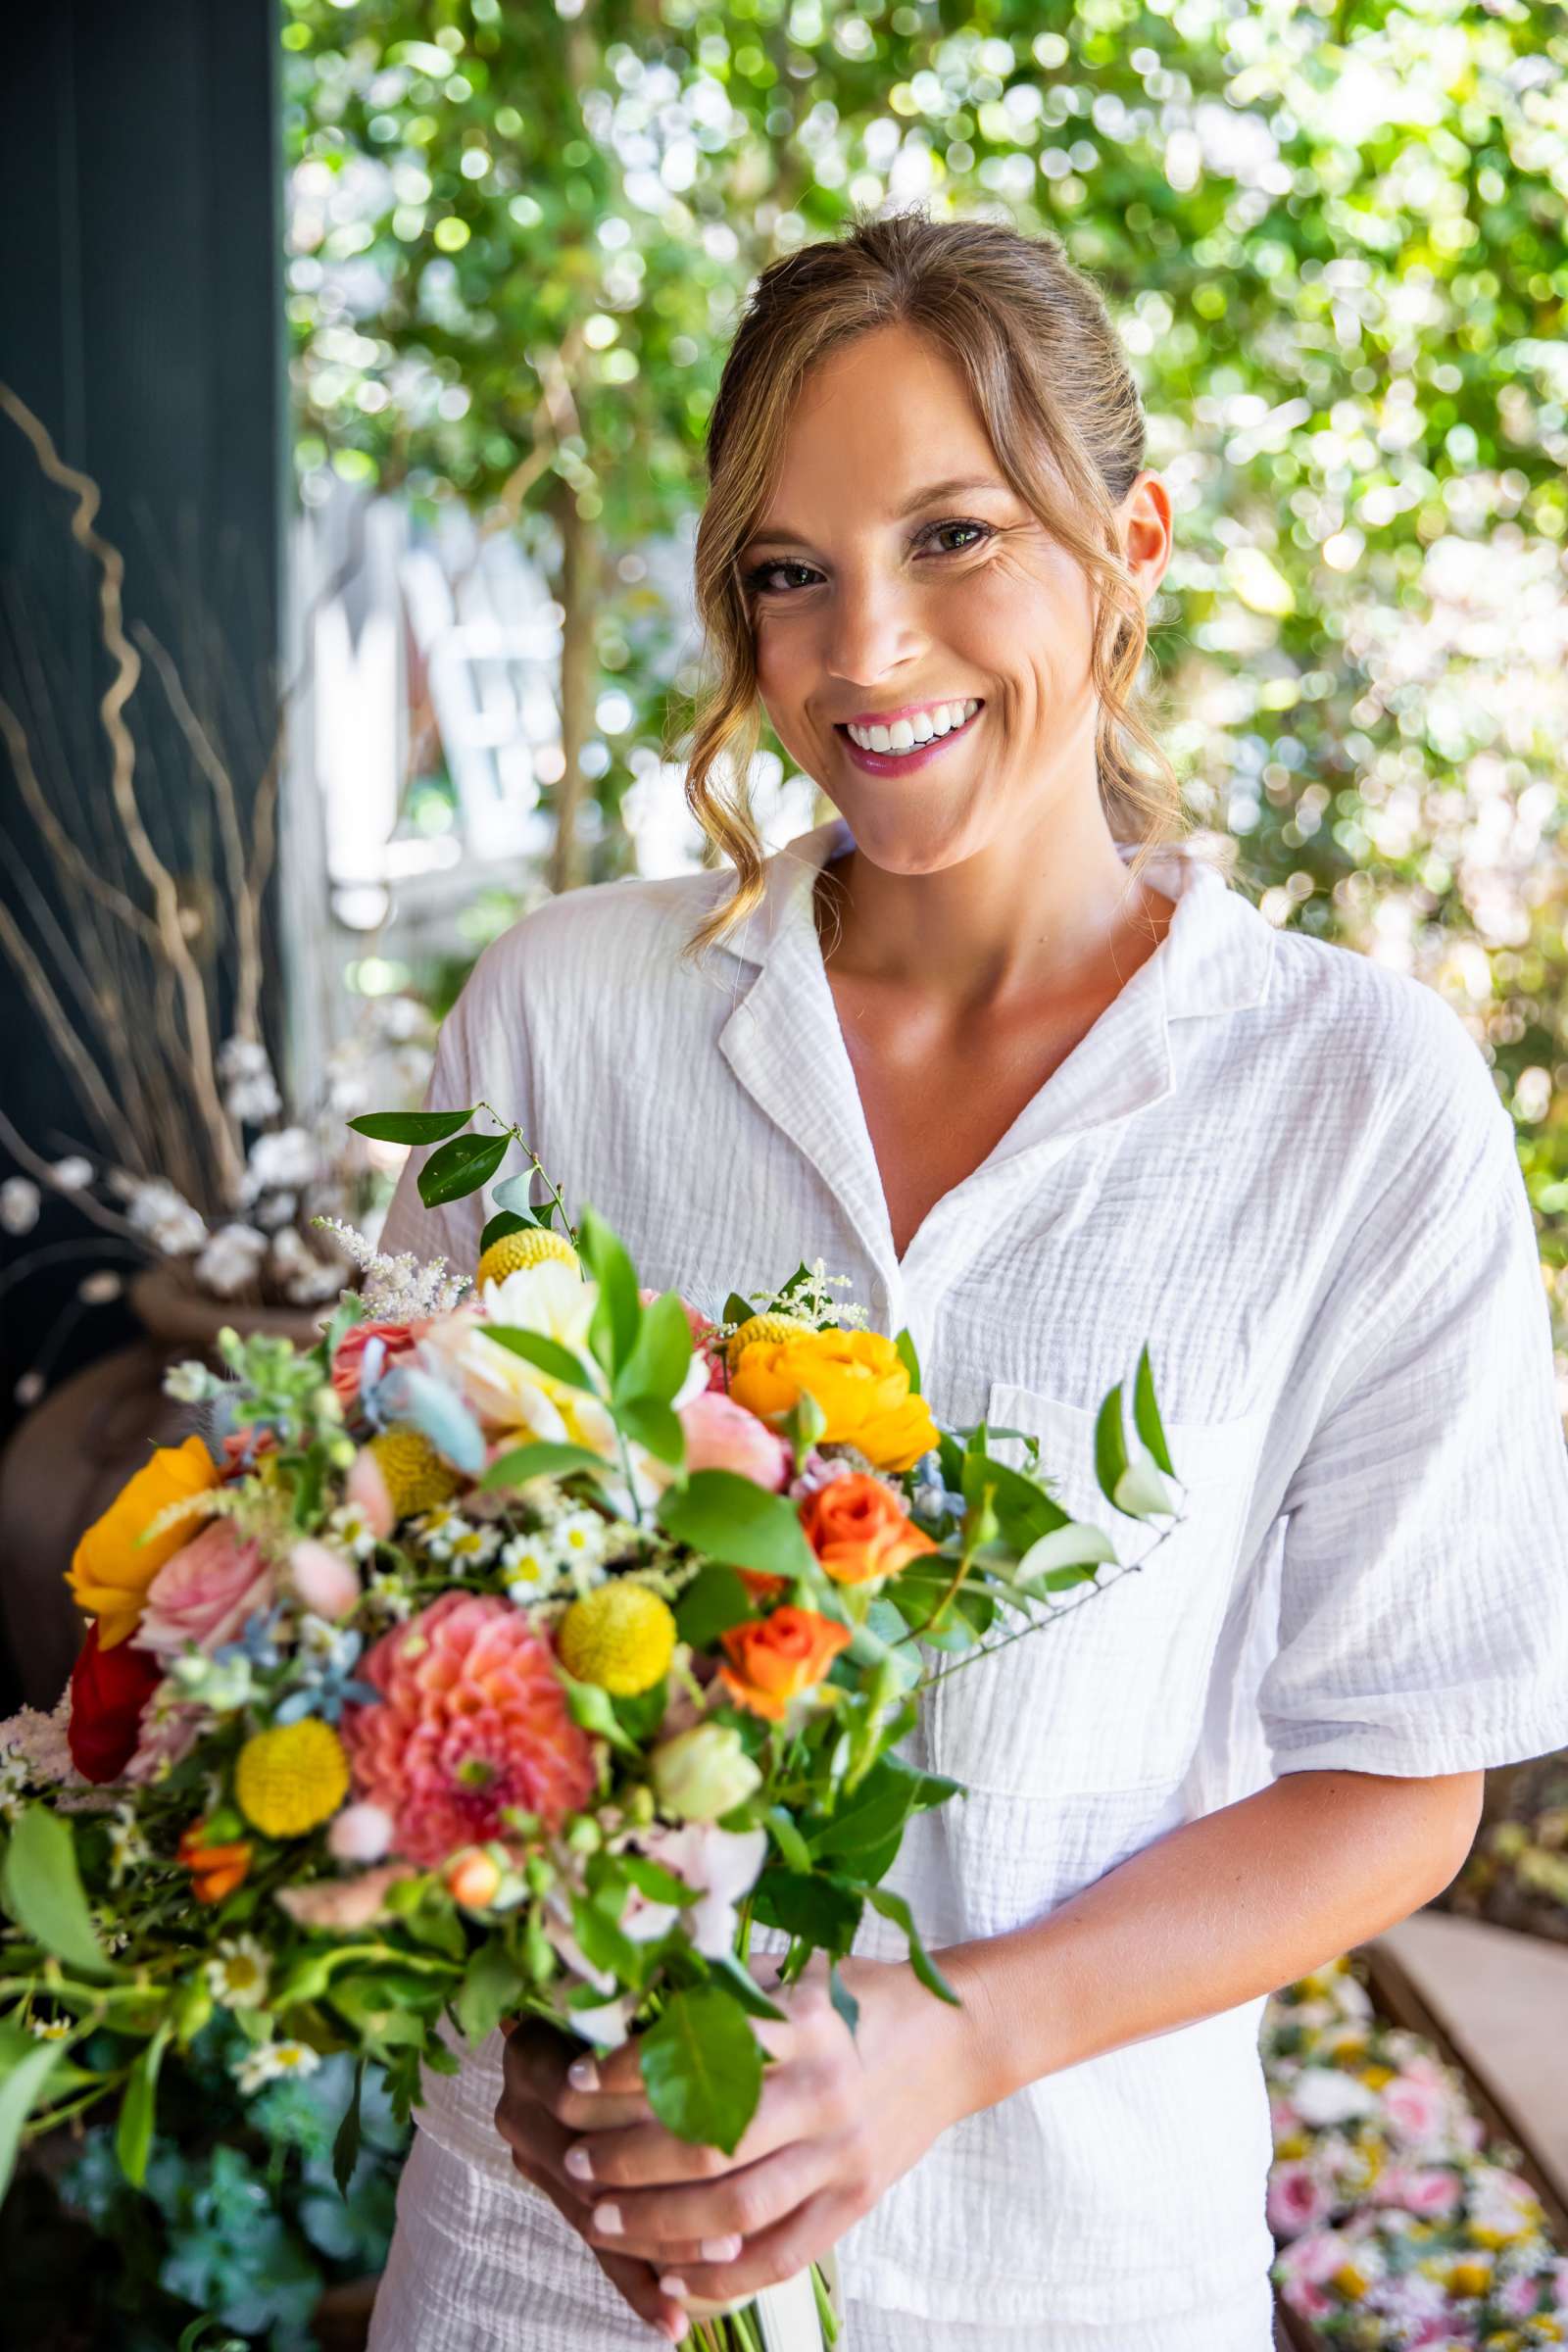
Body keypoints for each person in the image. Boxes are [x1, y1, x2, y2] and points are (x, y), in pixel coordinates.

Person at [365, 212, 1568, 2351]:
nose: (862, 652)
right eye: (787, 571)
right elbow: (399, 1600)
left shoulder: (1353, 1102)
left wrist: (947, 2041)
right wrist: (520, 2055)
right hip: (554, 2267)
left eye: (950, 538)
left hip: (1067, 2272)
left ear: (1130, 544)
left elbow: (1405, 1773)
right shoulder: (563, 1021)